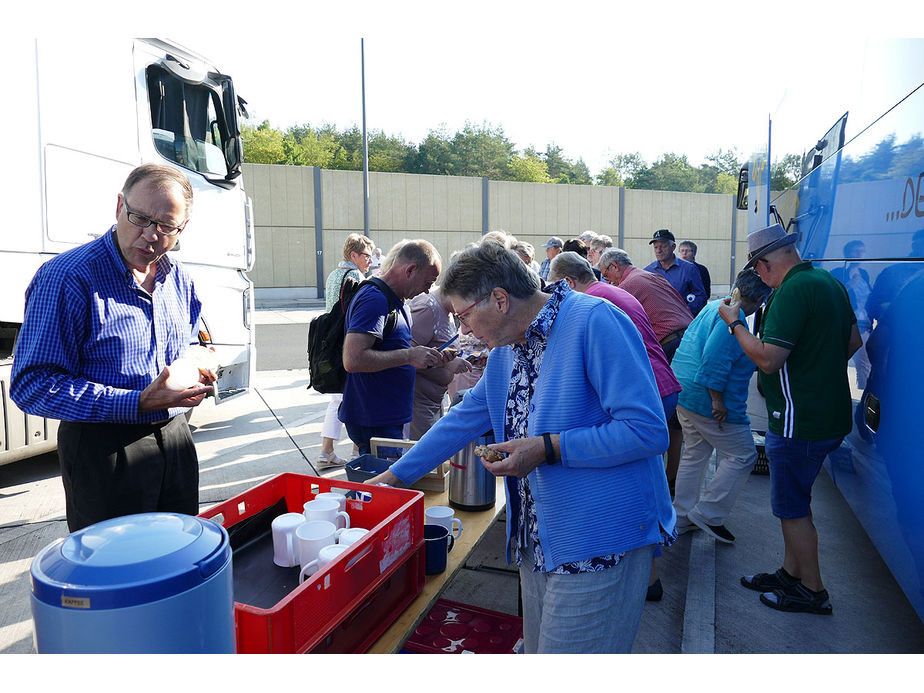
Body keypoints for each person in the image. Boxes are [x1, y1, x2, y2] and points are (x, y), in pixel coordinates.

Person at [370, 241, 674, 653]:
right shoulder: (507, 350)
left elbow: (647, 430)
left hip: (600, 543)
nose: (464, 330)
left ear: (498, 299)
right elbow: (462, 419)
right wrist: (393, 477)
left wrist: (547, 448)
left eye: (464, 316)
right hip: (539, 541)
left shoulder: (594, 321)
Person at [10, 163, 216, 532]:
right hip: (104, 448)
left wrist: (197, 363)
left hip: (175, 439)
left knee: (177, 555)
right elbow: (31, 385)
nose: (150, 235)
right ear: (119, 206)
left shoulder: (178, 278)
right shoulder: (68, 278)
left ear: (181, 228)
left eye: (165, 226)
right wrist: (136, 402)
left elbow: (187, 344)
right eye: (139, 217)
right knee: (118, 574)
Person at [718, 223, 861, 615]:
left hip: (798, 423)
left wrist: (734, 322)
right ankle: (791, 572)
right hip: (826, 415)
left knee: (791, 507)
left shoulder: (791, 291)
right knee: (796, 502)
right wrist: (816, 370)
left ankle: (812, 589)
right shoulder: (828, 282)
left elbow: (766, 357)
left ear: (764, 265)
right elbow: (853, 342)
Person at [548, 251, 681, 601]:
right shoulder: (610, 291)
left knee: (639, 477)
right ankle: (649, 572)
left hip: (647, 393)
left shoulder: (591, 304)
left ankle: (646, 575)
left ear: (566, 283)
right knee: (646, 475)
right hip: (661, 386)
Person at [672, 269, 771, 544]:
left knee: (695, 453)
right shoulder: (734, 320)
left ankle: (681, 517)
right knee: (743, 455)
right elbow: (714, 362)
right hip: (707, 400)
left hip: (685, 392)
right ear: (761, 298)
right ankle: (709, 513)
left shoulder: (716, 305)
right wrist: (717, 401)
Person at [339, 239, 447, 455]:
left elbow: (393, 354)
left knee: (383, 484)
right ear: (410, 270)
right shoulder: (375, 299)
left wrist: (428, 357)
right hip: (375, 420)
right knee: (380, 486)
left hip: (387, 417)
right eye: (428, 282)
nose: (427, 291)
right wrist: (409, 356)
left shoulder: (397, 302)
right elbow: (353, 359)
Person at [598, 247, 692, 492]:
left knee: (656, 417)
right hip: (687, 340)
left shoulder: (625, 287)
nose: (606, 280)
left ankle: (659, 481)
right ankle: (671, 478)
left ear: (615, 267)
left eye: (606, 274)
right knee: (675, 420)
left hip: (670, 343)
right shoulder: (651, 275)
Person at [317, 233, 375, 467]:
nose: (370, 261)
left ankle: (326, 451)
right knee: (358, 400)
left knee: (336, 401)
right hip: (349, 344)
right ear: (354, 255)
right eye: (367, 256)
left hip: (330, 345)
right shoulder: (356, 277)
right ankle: (356, 451)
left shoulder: (333, 275)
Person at [406, 286, 472, 439]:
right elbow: (405, 356)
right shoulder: (427, 309)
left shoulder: (446, 310)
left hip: (431, 403)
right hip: (418, 406)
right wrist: (446, 364)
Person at [829, 240, 872, 391]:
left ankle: (863, 396)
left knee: (864, 363)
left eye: (862, 251)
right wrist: (851, 284)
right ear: (847, 253)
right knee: (838, 361)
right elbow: (832, 297)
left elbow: (868, 299)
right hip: (845, 325)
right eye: (856, 251)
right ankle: (833, 390)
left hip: (864, 324)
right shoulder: (838, 272)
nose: (860, 254)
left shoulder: (864, 274)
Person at [645, 229, 707, 316]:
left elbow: (700, 296)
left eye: (663, 246)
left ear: (673, 247)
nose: (659, 250)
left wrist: (686, 312)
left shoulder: (689, 269)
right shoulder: (647, 272)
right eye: (656, 247)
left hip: (684, 323)